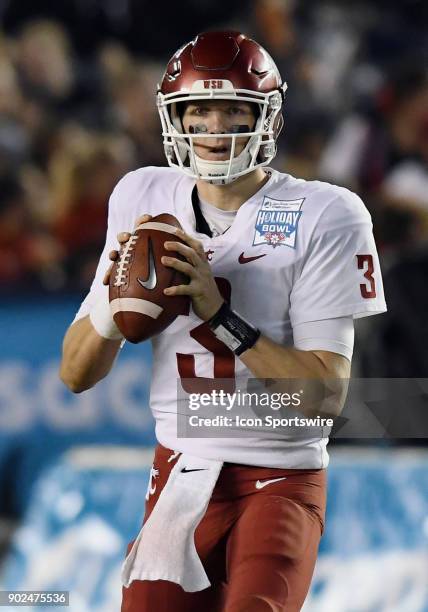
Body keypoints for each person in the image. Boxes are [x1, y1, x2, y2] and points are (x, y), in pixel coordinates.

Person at [60, 31, 387, 612]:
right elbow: (75, 373)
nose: (214, 128)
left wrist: (220, 314)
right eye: (198, 110)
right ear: (175, 119)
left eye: (233, 109)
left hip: (281, 475)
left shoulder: (325, 212)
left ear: (268, 117)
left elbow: (325, 396)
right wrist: (113, 306)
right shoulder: (142, 195)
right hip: (181, 471)